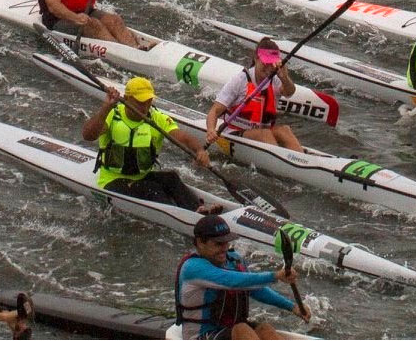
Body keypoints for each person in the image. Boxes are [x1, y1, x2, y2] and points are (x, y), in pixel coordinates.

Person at [83, 75, 212, 208]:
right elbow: (88, 135)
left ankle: (197, 208)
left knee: (171, 178)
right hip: (113, 179)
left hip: (142, 176)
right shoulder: (112, 115)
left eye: (148, 101)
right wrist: (105, 108)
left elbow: (183, 137)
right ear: (127, 99)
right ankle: (180, 215)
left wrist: (200, 150)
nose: (145, 107)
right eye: (140, 102)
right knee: (151, 188)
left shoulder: (157, 118)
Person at [175, 214, 310, 340]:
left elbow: (254, 289)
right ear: (200, 242)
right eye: (218, 244)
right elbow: (232, 282)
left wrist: (292, 307)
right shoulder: (193, 268)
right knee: (242, 329)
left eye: (226, 243)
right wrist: (275, 276)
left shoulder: (234, 260)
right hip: (201, 335)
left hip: (228, 329)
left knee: (265, 329)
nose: (224, 248)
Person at [204, 38, 304, 152]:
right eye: (265, 63)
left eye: (272, 64)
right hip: (234, 133)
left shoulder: (275, 79)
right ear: (256, 58)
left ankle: (301, 160)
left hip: (261, 134)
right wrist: (211, 130)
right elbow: (215, 111)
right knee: (264, 134)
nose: (269, 68)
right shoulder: (240, 80)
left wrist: (285, 77)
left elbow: (289, 92)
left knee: (284, 130)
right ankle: (281, 162)